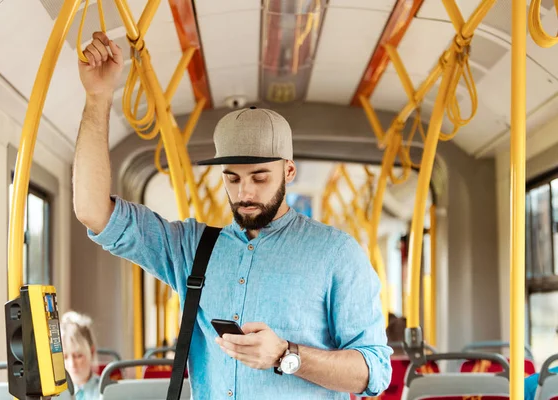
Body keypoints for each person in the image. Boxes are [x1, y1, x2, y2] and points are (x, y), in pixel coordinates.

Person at [73, 31, 392, 399]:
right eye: (232, 178)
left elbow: (375, 371)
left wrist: (287, 355)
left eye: (260, 177)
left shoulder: (337, 253)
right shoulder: (192, 248)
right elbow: (93, 211)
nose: (245, 194)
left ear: (289, 171)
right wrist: (98, 97)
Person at [61, 311, 100, 400]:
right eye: (65, 357)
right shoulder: (54, 395)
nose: (72, 364)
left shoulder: (106, 390)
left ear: (92, 352)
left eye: (78, 356)